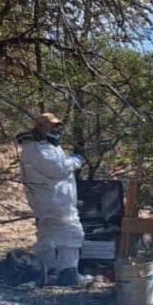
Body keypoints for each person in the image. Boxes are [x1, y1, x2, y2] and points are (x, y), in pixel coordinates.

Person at [17, 112, 91, 286]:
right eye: (52, 127)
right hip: (54, 200)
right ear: (41, 128)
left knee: (47, 234)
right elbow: (57, 169)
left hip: (49, 200)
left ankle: (46, 270)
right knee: (71, 231)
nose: (56, 131)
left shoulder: (44, 147)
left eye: (58, 127)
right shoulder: (37, 148)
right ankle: (68, 273)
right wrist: (75, 161)